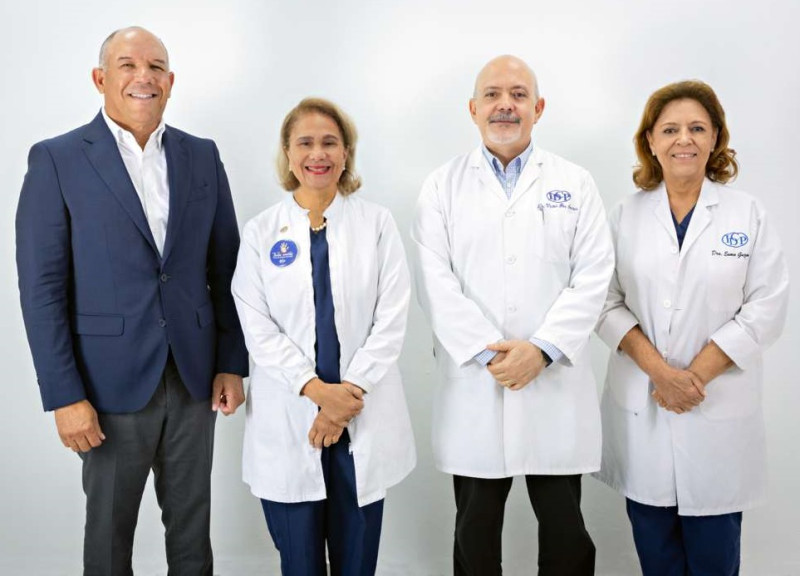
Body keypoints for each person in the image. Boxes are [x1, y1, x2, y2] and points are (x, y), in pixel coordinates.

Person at [15, 27, 248, 575]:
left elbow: (228, 269)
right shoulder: (57, 159)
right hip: (106, 386)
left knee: (193, 532)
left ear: (171, 82)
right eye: (127, 65)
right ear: (101, 78)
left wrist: (231, 363)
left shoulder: (202, 155)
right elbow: (41, 289)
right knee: (109, 535)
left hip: (194, 378)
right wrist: (63, 395)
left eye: (156, 67)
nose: (143, 76)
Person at [411, 55, 614, 575]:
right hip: (478, 385)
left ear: (539, 108)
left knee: (566, 529)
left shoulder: (576, 182)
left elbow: (593, 275)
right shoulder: (441, 186)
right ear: (473, 109)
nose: (506, 104)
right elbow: (436, 282)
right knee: (475, 530)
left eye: (519, 95)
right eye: (494, 95)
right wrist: (491, 354)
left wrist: (541, 350)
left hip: (553, 384)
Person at [594, 80, 789, 575]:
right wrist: (662, 374)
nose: (685, 139)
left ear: (716, 139)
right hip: (646, 404)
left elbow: (767, 306)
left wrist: (693, 376)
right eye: (671, 129)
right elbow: (603, 301)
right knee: (655, 546)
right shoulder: (624, 215)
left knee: (714, 551)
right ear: (651, 141)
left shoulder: (748, 214)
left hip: (716, 407)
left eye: (698, 128)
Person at [231, 97, 416, 576]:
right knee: (300, 563)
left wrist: (345, 398)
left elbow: (392, 317)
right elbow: (257, 325)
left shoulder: (376, 224)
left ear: (347, 152)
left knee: (357, 565)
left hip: (360, 416)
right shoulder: (261, 232)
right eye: (306, 143)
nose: (319, 153)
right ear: (288, 155)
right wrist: (316, 393)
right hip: (291, 418)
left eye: (330, 142)